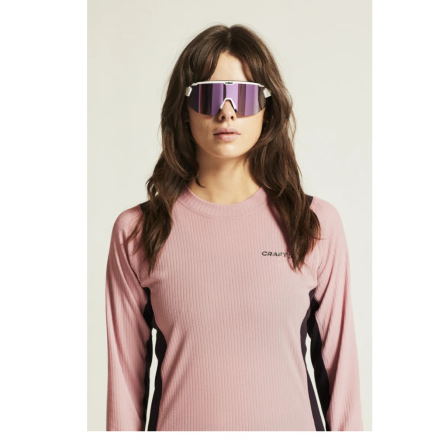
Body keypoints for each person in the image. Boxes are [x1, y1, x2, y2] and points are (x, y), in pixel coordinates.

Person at [105, 23, 363, 431]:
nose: (226, 112)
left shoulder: (313, 224)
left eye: (243, 96)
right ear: (183, 108)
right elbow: (124, 386)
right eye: (209, 95)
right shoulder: (138, 231)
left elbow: (340, 375)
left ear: (267, 109)